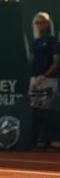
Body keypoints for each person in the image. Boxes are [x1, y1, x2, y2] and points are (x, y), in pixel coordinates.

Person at [30, 12, 59, 149]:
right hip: (36, 81)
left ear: (48, 24)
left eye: (42, 22)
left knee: (48, 111)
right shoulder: (35, 42)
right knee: (37, 110)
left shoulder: (53, 41)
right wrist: (36, 78)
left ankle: (49, 140)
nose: (40, 25)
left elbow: (56, 63)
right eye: (37, 23)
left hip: (49, 81)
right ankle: (38, 140)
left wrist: (45, 75)